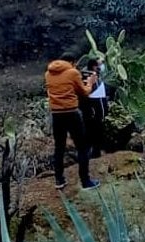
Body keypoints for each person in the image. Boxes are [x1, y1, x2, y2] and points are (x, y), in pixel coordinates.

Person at [45, 58, 99, 190]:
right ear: (73, 62)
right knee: (82, 147)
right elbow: (84, 92)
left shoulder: (48, 73)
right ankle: (85, 181)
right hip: (71, 113)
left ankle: (59, 180)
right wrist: (91, 83)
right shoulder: (73, 72)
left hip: (56, 114)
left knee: (59, 148)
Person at [82, 58, 109, 154]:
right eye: (97, 66)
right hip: (97, 103)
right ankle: (96, 151)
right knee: (98, 127)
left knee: (89, 127)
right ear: (94, 66)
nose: (100, 67)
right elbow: (95, 89)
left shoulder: (84, 74)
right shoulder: (93, 76)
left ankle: (90, 150)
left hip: (88, 108)